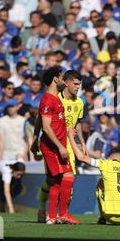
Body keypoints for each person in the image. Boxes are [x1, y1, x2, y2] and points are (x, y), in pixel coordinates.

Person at [34, 70, 85, 223]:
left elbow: (76, 123)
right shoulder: (51, 99)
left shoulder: (70, 101)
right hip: (54, 145)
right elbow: (45, 125)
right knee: (56, 180)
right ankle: (53, 212)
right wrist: (35, 139)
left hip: (64, 143)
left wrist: (81, 142)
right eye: (74, 83)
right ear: (57, 80)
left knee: (61, 180)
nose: (77, 87)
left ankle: (54, 216)